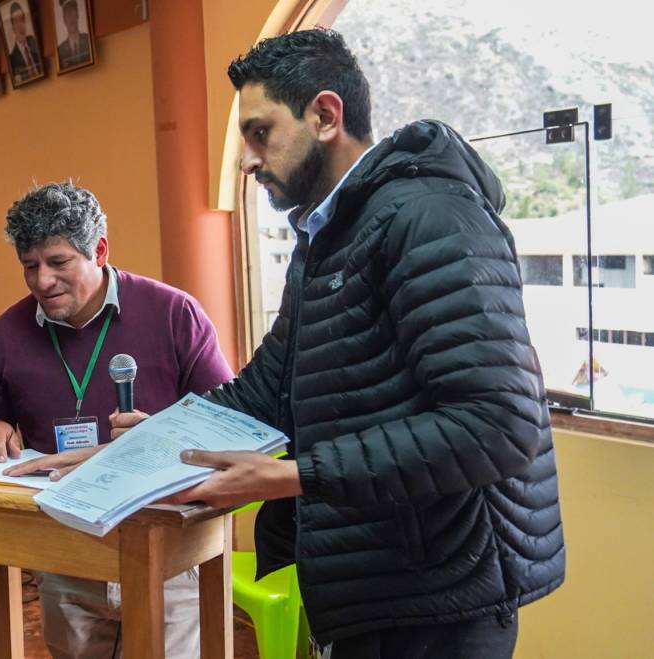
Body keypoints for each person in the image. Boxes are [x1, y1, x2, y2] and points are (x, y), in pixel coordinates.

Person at [114, 29, 565, 659]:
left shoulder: (429, 216)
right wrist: (148, 445)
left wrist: (293, 476)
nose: (246, 159)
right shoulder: (327, 236)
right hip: (369, 579)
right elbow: (267, 388)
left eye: (259, 132)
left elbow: (498, 425)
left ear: (325, 115)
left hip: (443, 593)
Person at [0, 181, 234, 658]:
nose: (42, 281)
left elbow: (227, 424)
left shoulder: (174, 313)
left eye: (58, 262)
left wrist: (161, 435)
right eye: (30, 266)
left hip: (165, 546)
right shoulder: (6, 334)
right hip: (65, 551)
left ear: (99, 250)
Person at [6, 2, 43, 82]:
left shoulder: (34, 42)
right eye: (16, 21)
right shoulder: (12, 58)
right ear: (13, 26)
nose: (20, 25)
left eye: (22, 19)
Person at [56, 0, 91, 68]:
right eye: (67, 13)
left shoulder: (88, 40)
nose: (71, 17)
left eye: (72, 12)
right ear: (64, 19)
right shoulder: (60, 50)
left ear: (77, 15)